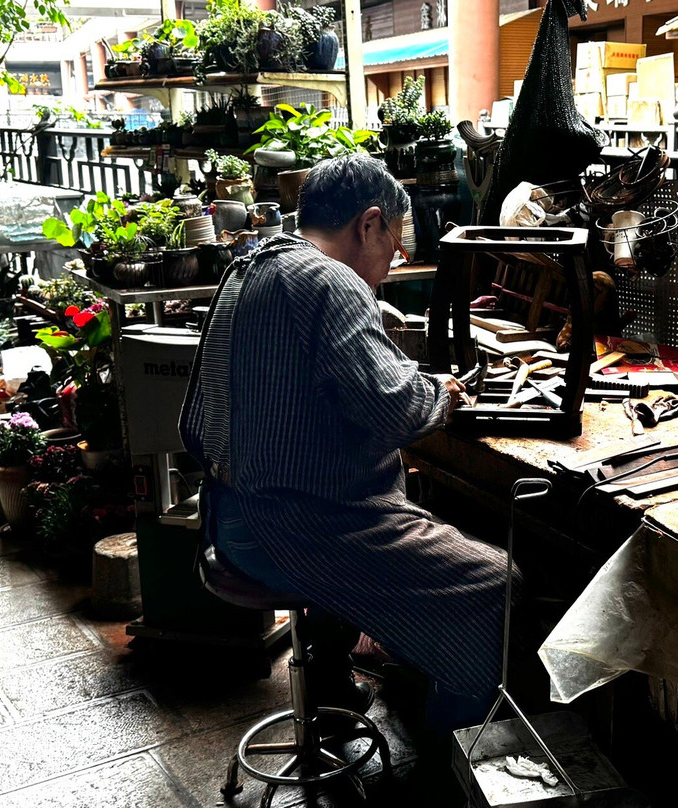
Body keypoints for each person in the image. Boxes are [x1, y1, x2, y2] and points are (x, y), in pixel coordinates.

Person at [180, 153, 514, 731]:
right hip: (294, 529)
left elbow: (192, 424)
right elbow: (395, 411)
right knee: (494, 584)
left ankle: (334, 692)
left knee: (415, 523)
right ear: (368, 223)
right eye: (395, 241)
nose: (395, 259)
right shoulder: (329, 280)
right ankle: (453, 757)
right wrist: (445, 393)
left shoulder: (246, 268)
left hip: (227, 522)